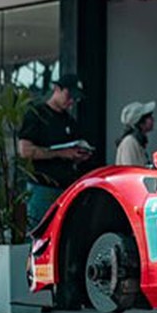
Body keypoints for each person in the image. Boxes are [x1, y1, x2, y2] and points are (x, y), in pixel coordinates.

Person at [17, 74, 92, 229]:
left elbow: (70, 150)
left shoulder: (69, 120)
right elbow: (24, 151)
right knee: (40, 232)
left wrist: (77, 156)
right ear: (57, 89)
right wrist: (60, 153)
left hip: (66, 186)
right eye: (68, 96)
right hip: (42, 186)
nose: (71, 102)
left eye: (75, 99)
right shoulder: (37, 114)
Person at [116, 101, 156, 167]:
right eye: (149, 117)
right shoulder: (129, 142)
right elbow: (130, 171)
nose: (152, 119)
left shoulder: (137, 142)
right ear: (140, 121)